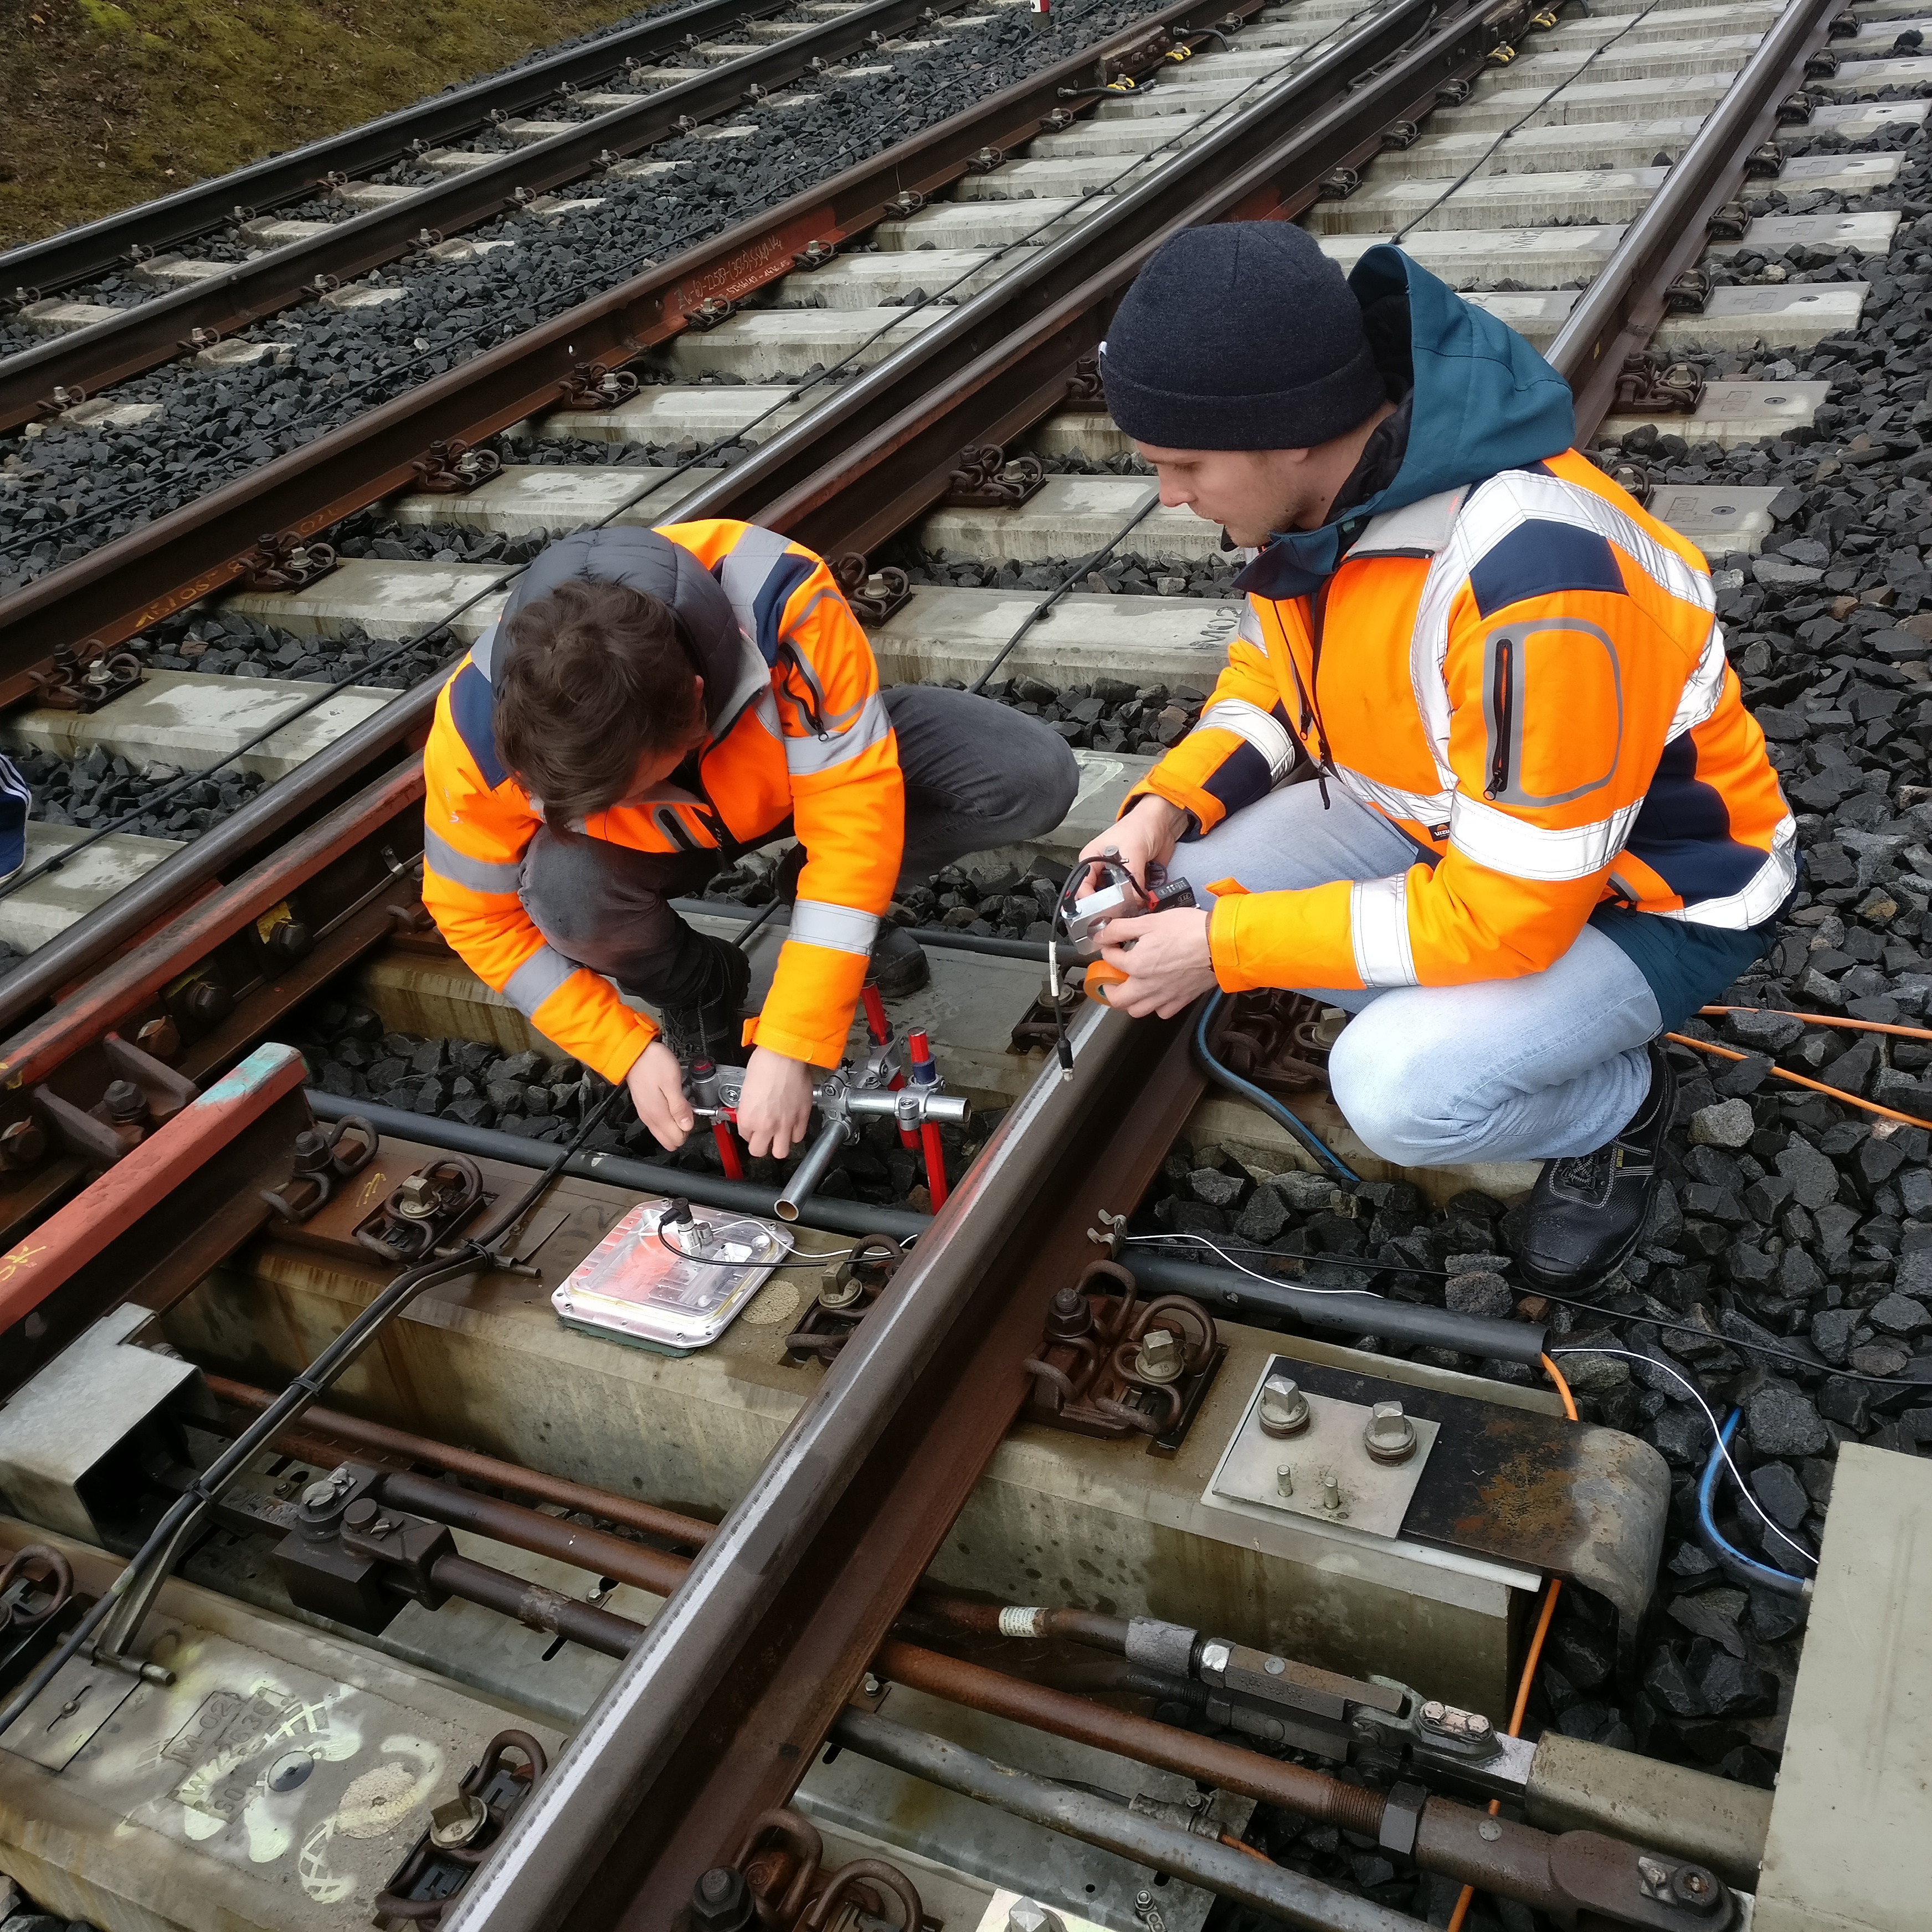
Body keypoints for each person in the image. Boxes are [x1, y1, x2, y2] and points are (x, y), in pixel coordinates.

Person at [1079, 225, 1795, 1296]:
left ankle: (1618, 1101)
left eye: (1182, 465)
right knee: (1170, 886)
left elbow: (1509, 912)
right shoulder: (1326, 505)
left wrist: (1225, 945)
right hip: (1456, 832)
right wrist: (1162, 810)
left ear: (1285, 432)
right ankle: (1509, 1024)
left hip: (1649, 898)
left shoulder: (1535, 579)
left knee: (1397, 1085)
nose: (1170, 497)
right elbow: (1272, 681)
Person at [422, 520, 1077, 1160]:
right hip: (652, 850)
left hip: (807, 770)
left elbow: (852, 831)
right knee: (563, 894)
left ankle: (808, 894)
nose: (629, 804)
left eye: (635, 786)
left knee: (1029, 777)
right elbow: (475, 918)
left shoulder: (781, 603)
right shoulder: (477, 733)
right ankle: (696, 984)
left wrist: (793, 1040)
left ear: (696, 702)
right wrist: (621, 1048)